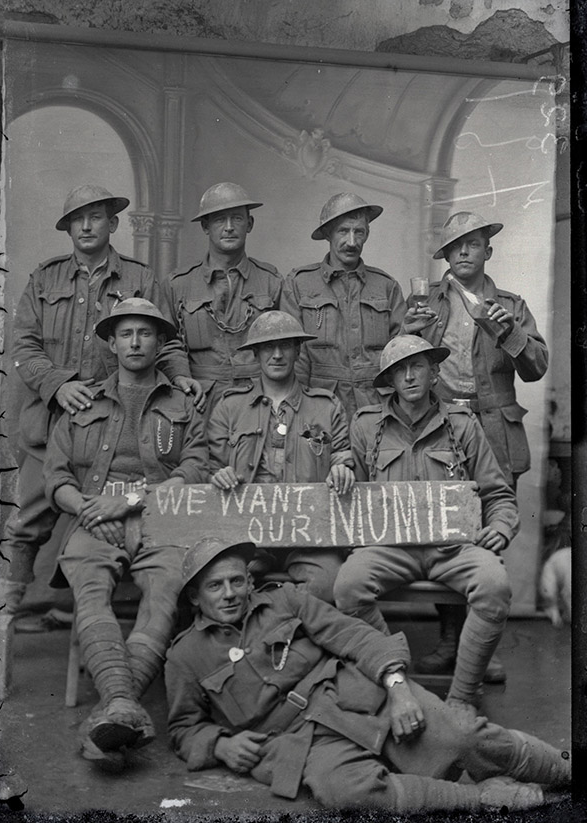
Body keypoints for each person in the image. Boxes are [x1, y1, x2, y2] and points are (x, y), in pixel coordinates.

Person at [165, 537, 569, 812]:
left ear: (250, 581)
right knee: (348, 792)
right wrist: (220, 746)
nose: (230, 593)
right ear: (195, 596)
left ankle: (564, 767)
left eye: (237, 580)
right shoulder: (184, 656)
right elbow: (184, 728)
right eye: (215, 586)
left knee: (462, 735)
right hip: (297, 743)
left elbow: (354, 634)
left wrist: (398, 688)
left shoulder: (283, 600)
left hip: (358, 695)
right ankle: (479, 798)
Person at [0, 184, 197, 632]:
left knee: (123, 509)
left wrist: (180, 374)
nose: (87, 226)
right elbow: (23, 346)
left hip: (118, 416)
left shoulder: (141, 279)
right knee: (29, 516)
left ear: (114, 224)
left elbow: (166, 341)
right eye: (77, 220)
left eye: (96, 217)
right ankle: (7, 609)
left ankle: (80, 606)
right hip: (53, 418)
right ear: (67, 228)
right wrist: (58, 385)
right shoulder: (44, 279)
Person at [43, 298, 208, 770]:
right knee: (90, 591)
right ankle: (123, 707)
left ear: (160, 343)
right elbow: (57, 479)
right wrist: (94, 511)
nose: (136, 342)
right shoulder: (84, 401)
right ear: (111, 344)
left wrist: (134, 502)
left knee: (164, 592)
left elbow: (196, 467)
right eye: (127, 334)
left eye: (146, 334)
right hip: (94, 519)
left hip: (159, 519)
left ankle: (112, 708)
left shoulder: (182, 403)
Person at [333, 336, 518, 712]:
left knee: (494, 586)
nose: (409, 376)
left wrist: (499, 528)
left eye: (417, 366)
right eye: (400, 370)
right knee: (348, 587)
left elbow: (498, 494)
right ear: (390, 380)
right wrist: (340, 469)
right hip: (389, 546)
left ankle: (462, 700)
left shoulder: (462, 425)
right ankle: (400, 684)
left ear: (434, 373)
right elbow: (349, 490)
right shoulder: (367, 426)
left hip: (453, 547)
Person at [402, 211, 548, 681]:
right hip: (440, 430)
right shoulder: (425, 302)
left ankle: (482, 649)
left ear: (489, 249)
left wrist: (509, 332)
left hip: (496, 433)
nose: (464, 251)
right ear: (444, 255)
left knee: (491, 537)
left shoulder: (510, 305)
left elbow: (537, 368)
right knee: (446, 536)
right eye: (455, 245)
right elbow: (398, 369)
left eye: (474, 243)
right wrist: (406, 332)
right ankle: (450, 642)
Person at [208, 310, 355, 601]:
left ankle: (284, 627)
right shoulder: (230, 407)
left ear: (298, 350)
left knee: (328, 582)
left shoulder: (326, 406)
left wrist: (343, 470)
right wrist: (217, 475)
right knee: (224, 584)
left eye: (285, 346)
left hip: (309, 534)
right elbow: (211, 464)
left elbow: (341, 456)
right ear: (256, 354)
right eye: (267, 347)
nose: (276, 355)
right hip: (245, 534)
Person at [159, 182, 283, 419]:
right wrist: (180, 375)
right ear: (206, 226)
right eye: (219, 220)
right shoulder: (178, 284)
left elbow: (287, 347)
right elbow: (167, 342)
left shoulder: (272, 282)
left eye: (237, 219)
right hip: (198, 401)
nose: (228, 228)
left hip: (259, 400)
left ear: (250, 224)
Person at [281, 192, 407, 421]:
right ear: (328, 234)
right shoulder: (299, 283)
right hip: (319, 407)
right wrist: (297, 410)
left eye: (359, 232)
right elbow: (294, 357)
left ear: (367, 234)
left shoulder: (386, 286)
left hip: (377, 409)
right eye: (343, 231)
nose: (352, 242)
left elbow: (399, 355)